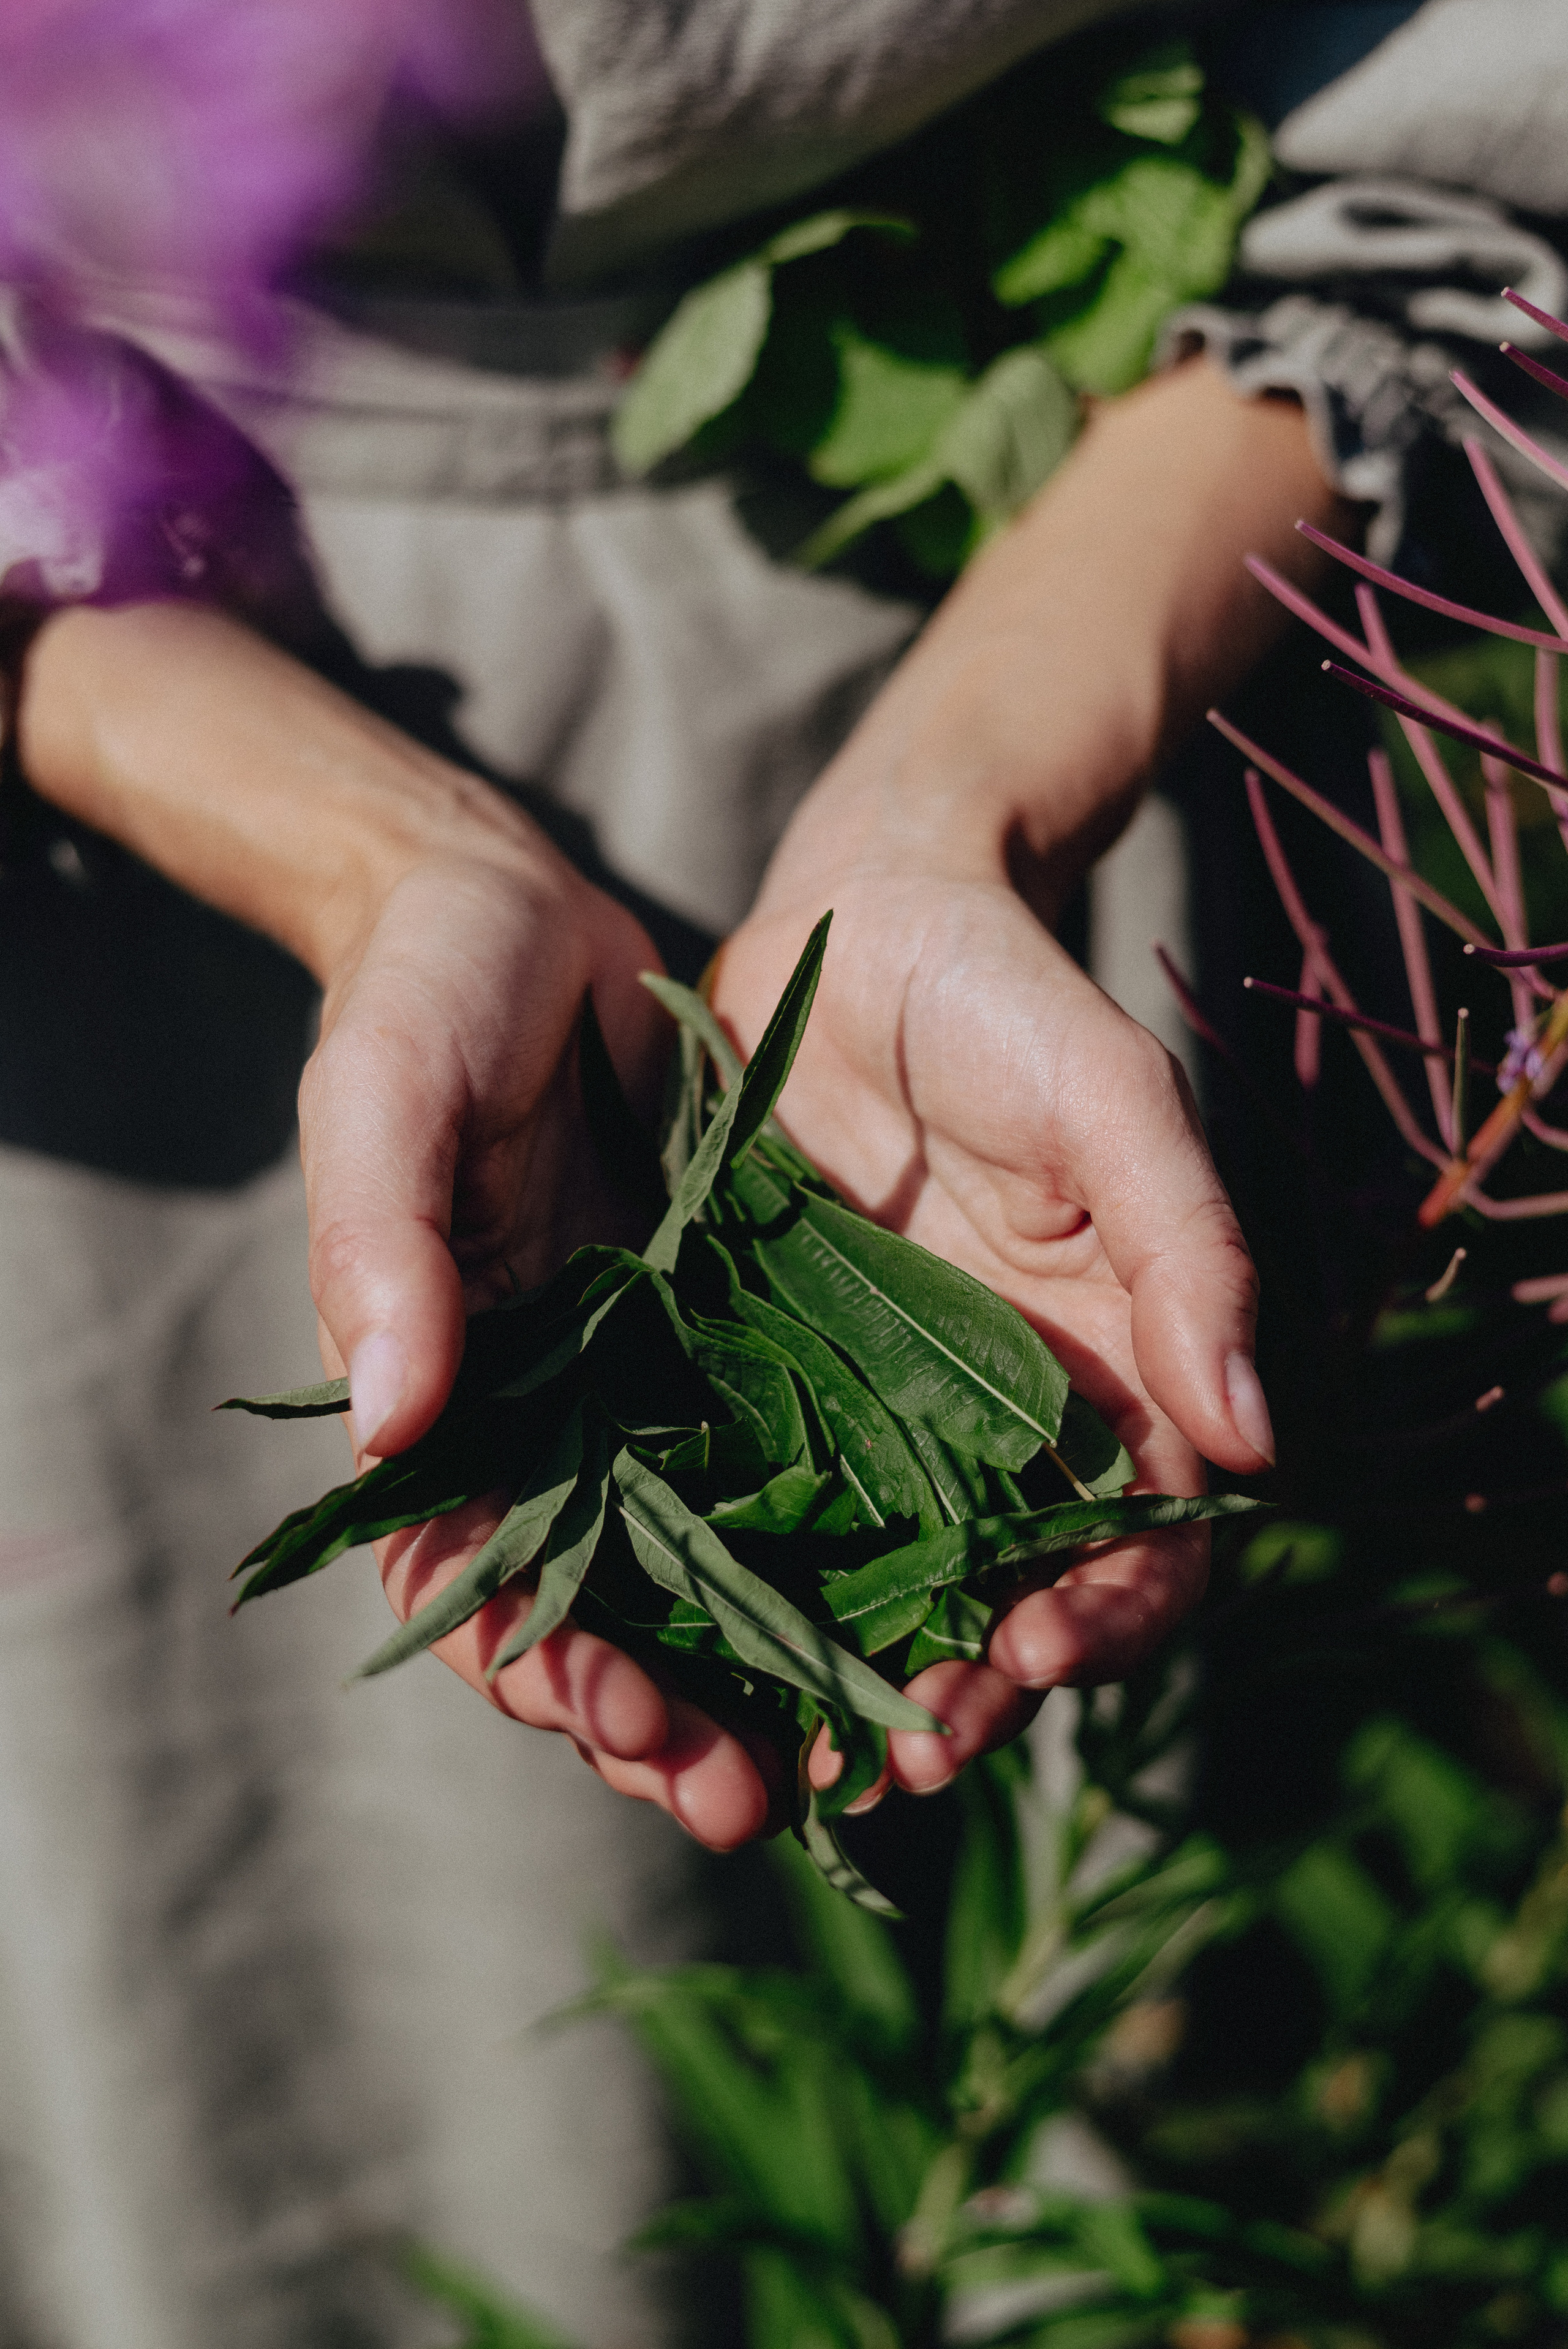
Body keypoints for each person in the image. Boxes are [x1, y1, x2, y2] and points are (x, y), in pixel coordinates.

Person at [1, 0, 1564, 2339]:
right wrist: (379, 859)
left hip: (1070, 651)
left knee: (1122, 2043)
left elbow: (1474, 139)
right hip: (112, 805)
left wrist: (959, 801)